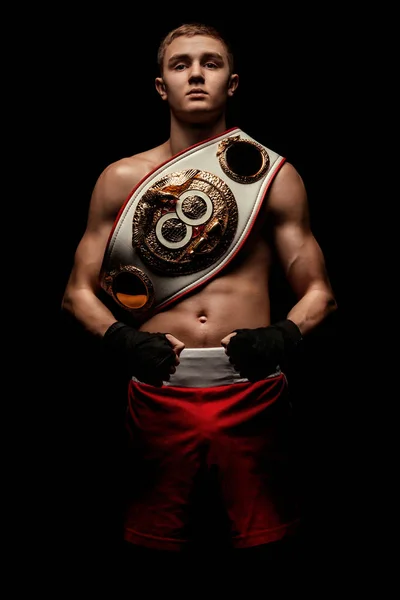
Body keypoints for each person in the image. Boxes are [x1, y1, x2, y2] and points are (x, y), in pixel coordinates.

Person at [61, 22, 337, 586]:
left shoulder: (272, 177)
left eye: (210, 64)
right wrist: (123, 340)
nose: (195, 74)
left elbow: (320, 294)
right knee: (150, 557)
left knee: (270, 555)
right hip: (160, 392)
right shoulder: (119, 179)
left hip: (251, 392)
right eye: (180, 64)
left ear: (232, 83)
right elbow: (76, 294)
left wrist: (281, 336)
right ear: (160, 85)